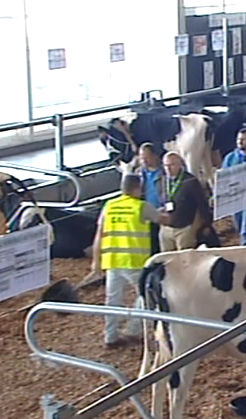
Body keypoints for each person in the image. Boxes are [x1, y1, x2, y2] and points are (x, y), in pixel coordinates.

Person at [90, 174, 171, 348]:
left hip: (112, 260)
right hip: (134, 261)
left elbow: (99, 235)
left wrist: (96, 260)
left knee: (112, 300)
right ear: (138, 188)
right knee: (146, 295)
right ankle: (133, 330)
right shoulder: (141, 206)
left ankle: (110, 337)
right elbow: (163, 220)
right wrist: (165, 212)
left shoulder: (109, 205)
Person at [158, 151, 213, 252]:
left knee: (185, 259)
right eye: (166, 165)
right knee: (167, 258)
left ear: (180, 165)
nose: (168, 169)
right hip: (166, 229)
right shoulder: (162, 180)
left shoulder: (190, 181)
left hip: (184, 229)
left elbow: (202, 204)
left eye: (172, 165)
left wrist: (204, 225)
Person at [136, 142, 164, 254]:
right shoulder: (138, 174)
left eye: (146, 158)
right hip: (146, 216)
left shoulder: (165, 172)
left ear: (155, 156)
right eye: (141, 158)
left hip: (162, 214)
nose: (144, 161)